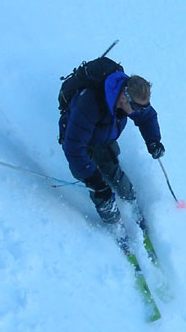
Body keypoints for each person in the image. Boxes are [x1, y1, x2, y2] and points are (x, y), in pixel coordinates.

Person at [60, 70, 165, 231]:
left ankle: (131, 203)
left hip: (101, 138)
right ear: (124, 97)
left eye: (144, 106)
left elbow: (147, 117)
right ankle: (114, 223)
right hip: (77, 142)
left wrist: (153, 140)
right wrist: (94, 180)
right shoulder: (89, 104)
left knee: (114, 172)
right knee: (99, 188)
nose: (139, 111)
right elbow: (73, 147)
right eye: (137, 107)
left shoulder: (131, 101)